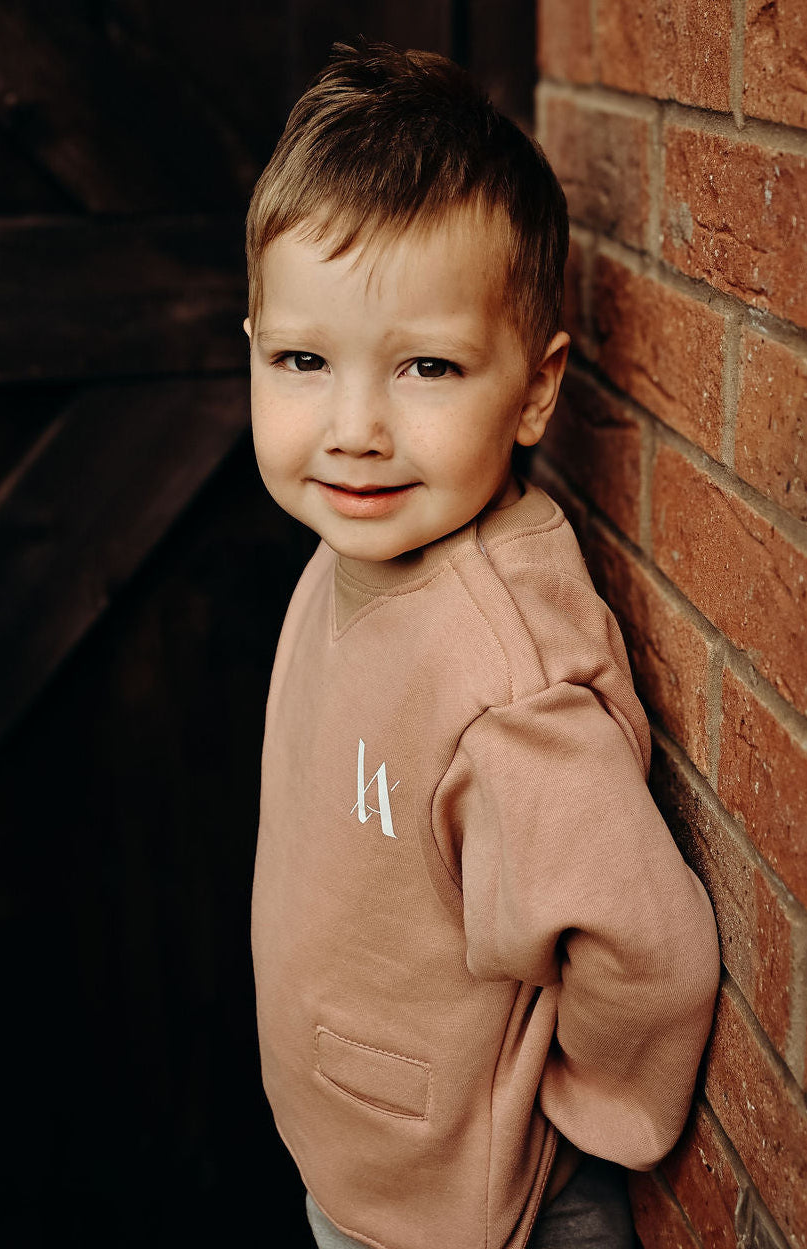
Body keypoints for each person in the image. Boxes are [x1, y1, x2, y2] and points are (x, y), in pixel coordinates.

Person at [245, 41, 720, 1249]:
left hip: (473, 1212)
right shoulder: (345, 548)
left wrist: (568, 1117)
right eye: (303, 360)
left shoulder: (503, 684)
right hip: (362, 1164)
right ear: (250, 343)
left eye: (426, 367)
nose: (352, 429)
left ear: (533, 389)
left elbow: (642, 954)